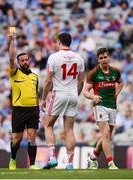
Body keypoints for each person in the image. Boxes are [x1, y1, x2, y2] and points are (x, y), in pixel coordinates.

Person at [40, 32, 85, 170]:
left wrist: (43, 99)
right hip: (73, 94)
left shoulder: (53, 57)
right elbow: (81, 80)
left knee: (47, 124)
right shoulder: (79, 58)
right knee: (69, 129)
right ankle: (70, 163)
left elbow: (48, 81)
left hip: (59, 93)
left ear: (59, 42)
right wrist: (76, 94)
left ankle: (53, 158)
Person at [83, 47, 123, 169]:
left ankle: (93, 157)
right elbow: (85, 91)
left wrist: (116, 94)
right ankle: (110, 163)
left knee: (107, 136)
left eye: (105, 57)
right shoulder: (93, 73)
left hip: (112, 106)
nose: (104, 60)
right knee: (105, 134)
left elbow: (121, 83)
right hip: (100, 106)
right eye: (101, 58)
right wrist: (93, 97)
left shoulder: (115, 72)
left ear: (109, 57)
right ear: (98, 60)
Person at [8, 31, 40, 170]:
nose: (25, 62)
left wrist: (39, 108)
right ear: (18, 63)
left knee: (32, 137)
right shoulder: (14, 73)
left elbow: (36, 94)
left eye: (27, 59)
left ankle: (32, 164)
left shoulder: (35, 76)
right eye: (22, 60)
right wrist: (12, 41)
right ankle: (13, 159)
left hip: (33, 109)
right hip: (19, 110)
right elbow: (10, 59)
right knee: (16, 140)